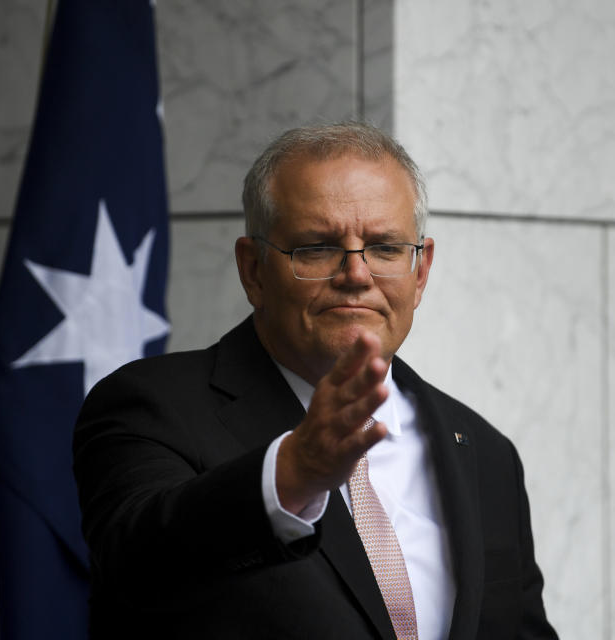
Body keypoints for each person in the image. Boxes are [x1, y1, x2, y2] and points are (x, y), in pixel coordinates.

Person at [73, 122, 558, 639]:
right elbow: (135, 566)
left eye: (385, 247)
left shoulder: (484, 450)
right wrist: (291, 475)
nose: (356, 273)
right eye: (317, 247)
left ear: (420, 273)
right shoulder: (151, 406)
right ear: (253, 269)